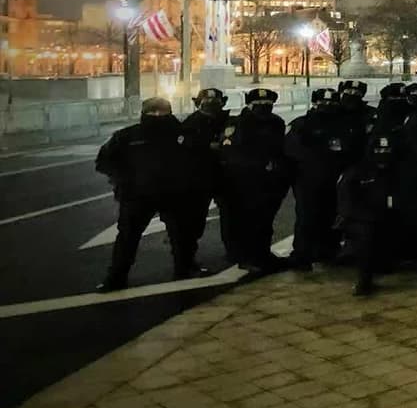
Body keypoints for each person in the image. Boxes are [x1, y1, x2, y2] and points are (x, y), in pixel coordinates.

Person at [95, 97, 201, 291]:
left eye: (162, 111)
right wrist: (125, 179)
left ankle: (185, 268)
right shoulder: (127, 136)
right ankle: (116, 277)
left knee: (181, 235)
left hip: (173, 193)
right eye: (153, 111)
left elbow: (197, 160)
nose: (158, 115)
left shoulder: (183, 133)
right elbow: (104, 161)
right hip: (139, 195)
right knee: (128, 237)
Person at [285, 88, 359, 269]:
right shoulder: (302, 124)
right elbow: (292, 150)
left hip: (335, 180)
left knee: (332, 216)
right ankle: (302, 255)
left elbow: (351, 151)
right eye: (323, 102)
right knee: (307, 217)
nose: (327, 106)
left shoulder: (343, 125)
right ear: (314, 103)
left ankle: (328, 251)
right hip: (309, 180)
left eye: (331, 102)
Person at [221, 88, 292, 272]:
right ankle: (246, 257)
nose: (263, 107)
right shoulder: (237, 123)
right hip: (244, 181)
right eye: (258, 104)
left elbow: (281, 149)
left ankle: (262, 254)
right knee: (246, 221)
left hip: (270, 181)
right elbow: (231, 151)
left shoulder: (276, 122)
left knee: (264, 221)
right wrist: (259, 164)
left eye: (267, 104)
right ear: (249, 105)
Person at [338, 134, 401, 296]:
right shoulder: (358, 171)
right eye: (379, 150)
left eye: (386, 150)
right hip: (361, 219)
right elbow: (347, 200)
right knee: (365, 240)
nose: (383, 153)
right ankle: (364, 280)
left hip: (384, 215)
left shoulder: (393, 170)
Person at [181, 87, 231, 265]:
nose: (211, 105)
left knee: (232, 217)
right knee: (194, 220)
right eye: (206, 102)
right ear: (198, 104)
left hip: (226, 176)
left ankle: (234, 251)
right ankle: (186, 260)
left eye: (215, 102)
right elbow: (184, 148)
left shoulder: (229, 121)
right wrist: (207, 147)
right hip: (199, 177)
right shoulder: (190, 124)